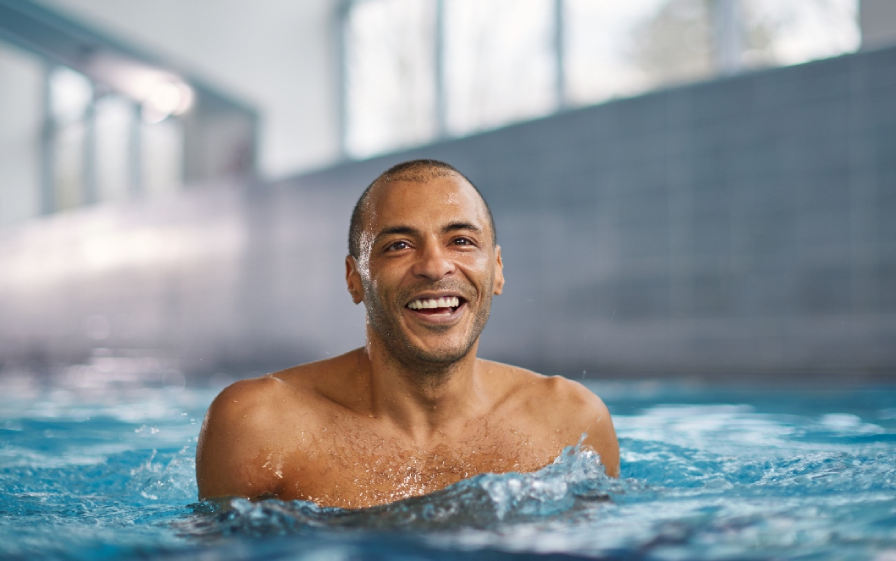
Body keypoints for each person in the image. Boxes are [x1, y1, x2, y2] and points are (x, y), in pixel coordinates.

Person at [196, 159, 619, 509]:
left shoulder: (572, 423)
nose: (435, 266)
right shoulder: (259, 426)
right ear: (354, 279)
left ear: (498, 270)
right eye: (398, 245)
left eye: (461, 240)